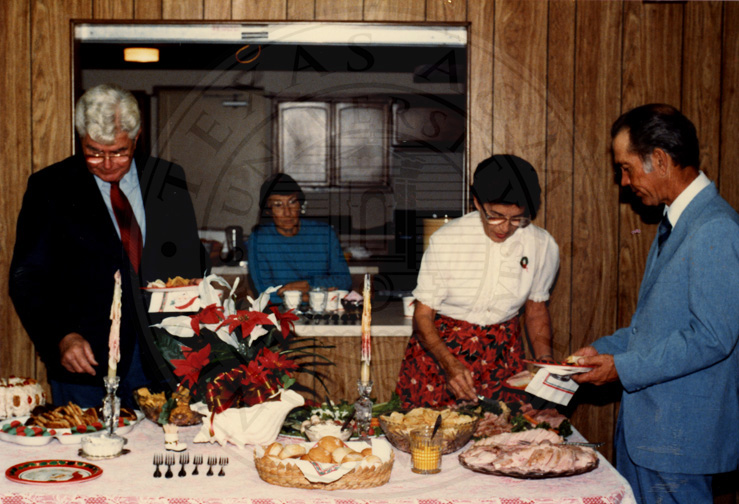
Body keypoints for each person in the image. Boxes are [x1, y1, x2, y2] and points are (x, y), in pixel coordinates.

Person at [572, 104, 739, 504]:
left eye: (627, 168)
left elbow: (712, 337)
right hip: (651, 438)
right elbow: (655, 327)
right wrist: (602, 351)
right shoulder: (677, 222)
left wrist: (622, 368)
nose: (624, 181)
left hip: (678, 442)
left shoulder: (715, 227)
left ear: (660, 160)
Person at [9, 83, 208, 408]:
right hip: (85, 361)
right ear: (81, 139)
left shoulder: (168, 179)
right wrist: (62, 336)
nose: (106, 163)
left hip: (163, 358)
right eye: (94, 152)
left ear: (136, 137)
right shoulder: (50, 187)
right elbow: (26, 277)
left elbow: (189, 260)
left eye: (118, 152)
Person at [395, 155, 560, 408]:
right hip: (439, 353)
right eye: (495, 216)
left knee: (501, 429)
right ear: (477, 202)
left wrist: (544, 363)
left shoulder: (542, 245)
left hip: (502, 355)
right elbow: (423, 315)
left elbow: (536, 310)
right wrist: (449, 363)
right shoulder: (448, 240)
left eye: (516, 218)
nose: (505, 228)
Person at [247, 173, 352, 305]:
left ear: (300, 204)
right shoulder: (259, 240)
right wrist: (310, 296)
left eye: (292, 202)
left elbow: (344, 281)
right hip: (280, 313)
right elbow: (264, 293)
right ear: (268, 211)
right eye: (278, 205)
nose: (287, 212)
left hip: (323, 311)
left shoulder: (324, 234)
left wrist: (308, 284)